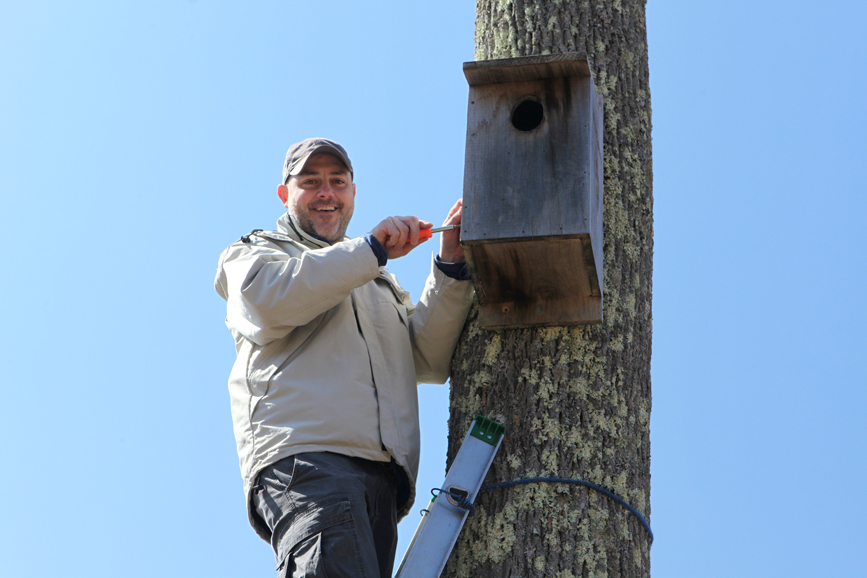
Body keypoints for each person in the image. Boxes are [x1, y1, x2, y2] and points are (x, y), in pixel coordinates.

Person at [214, 137, 474, 578]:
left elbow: (424, 359)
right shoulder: (256, 253)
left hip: (382, 481)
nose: (326, 193)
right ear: (285, 194)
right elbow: (269, 301)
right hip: (308, 460)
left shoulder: (373, 282)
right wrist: (372, 249)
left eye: (338, 182)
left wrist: (449, 269)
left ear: (353, 192)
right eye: (310, 182)